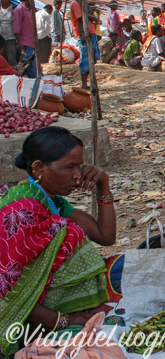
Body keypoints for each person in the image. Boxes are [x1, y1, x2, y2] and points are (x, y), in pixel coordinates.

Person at [0, 127, 116, 355]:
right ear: (38, 168)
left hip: (42, 311)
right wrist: (67, 320)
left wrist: (103, 184)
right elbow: (10, 295)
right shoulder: (22, 211)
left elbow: (105, 236)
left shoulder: (49, 200)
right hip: (19, 320)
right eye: (69, 167)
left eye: (79, 166)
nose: (77, 175)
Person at [14, 0, 38, 78]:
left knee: (32, 66)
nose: (34, 1)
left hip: (31, 43)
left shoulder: (29, 11)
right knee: (29, 67)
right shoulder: (19, 10)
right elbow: (16, 28)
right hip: (25, 43)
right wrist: (19, 43)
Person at [0, 0, 17, 66]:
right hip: (1, 39)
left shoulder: (14, 9)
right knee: (2, 59)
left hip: (11, 38)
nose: (1, 0)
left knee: (12, 59)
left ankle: (14, 76)